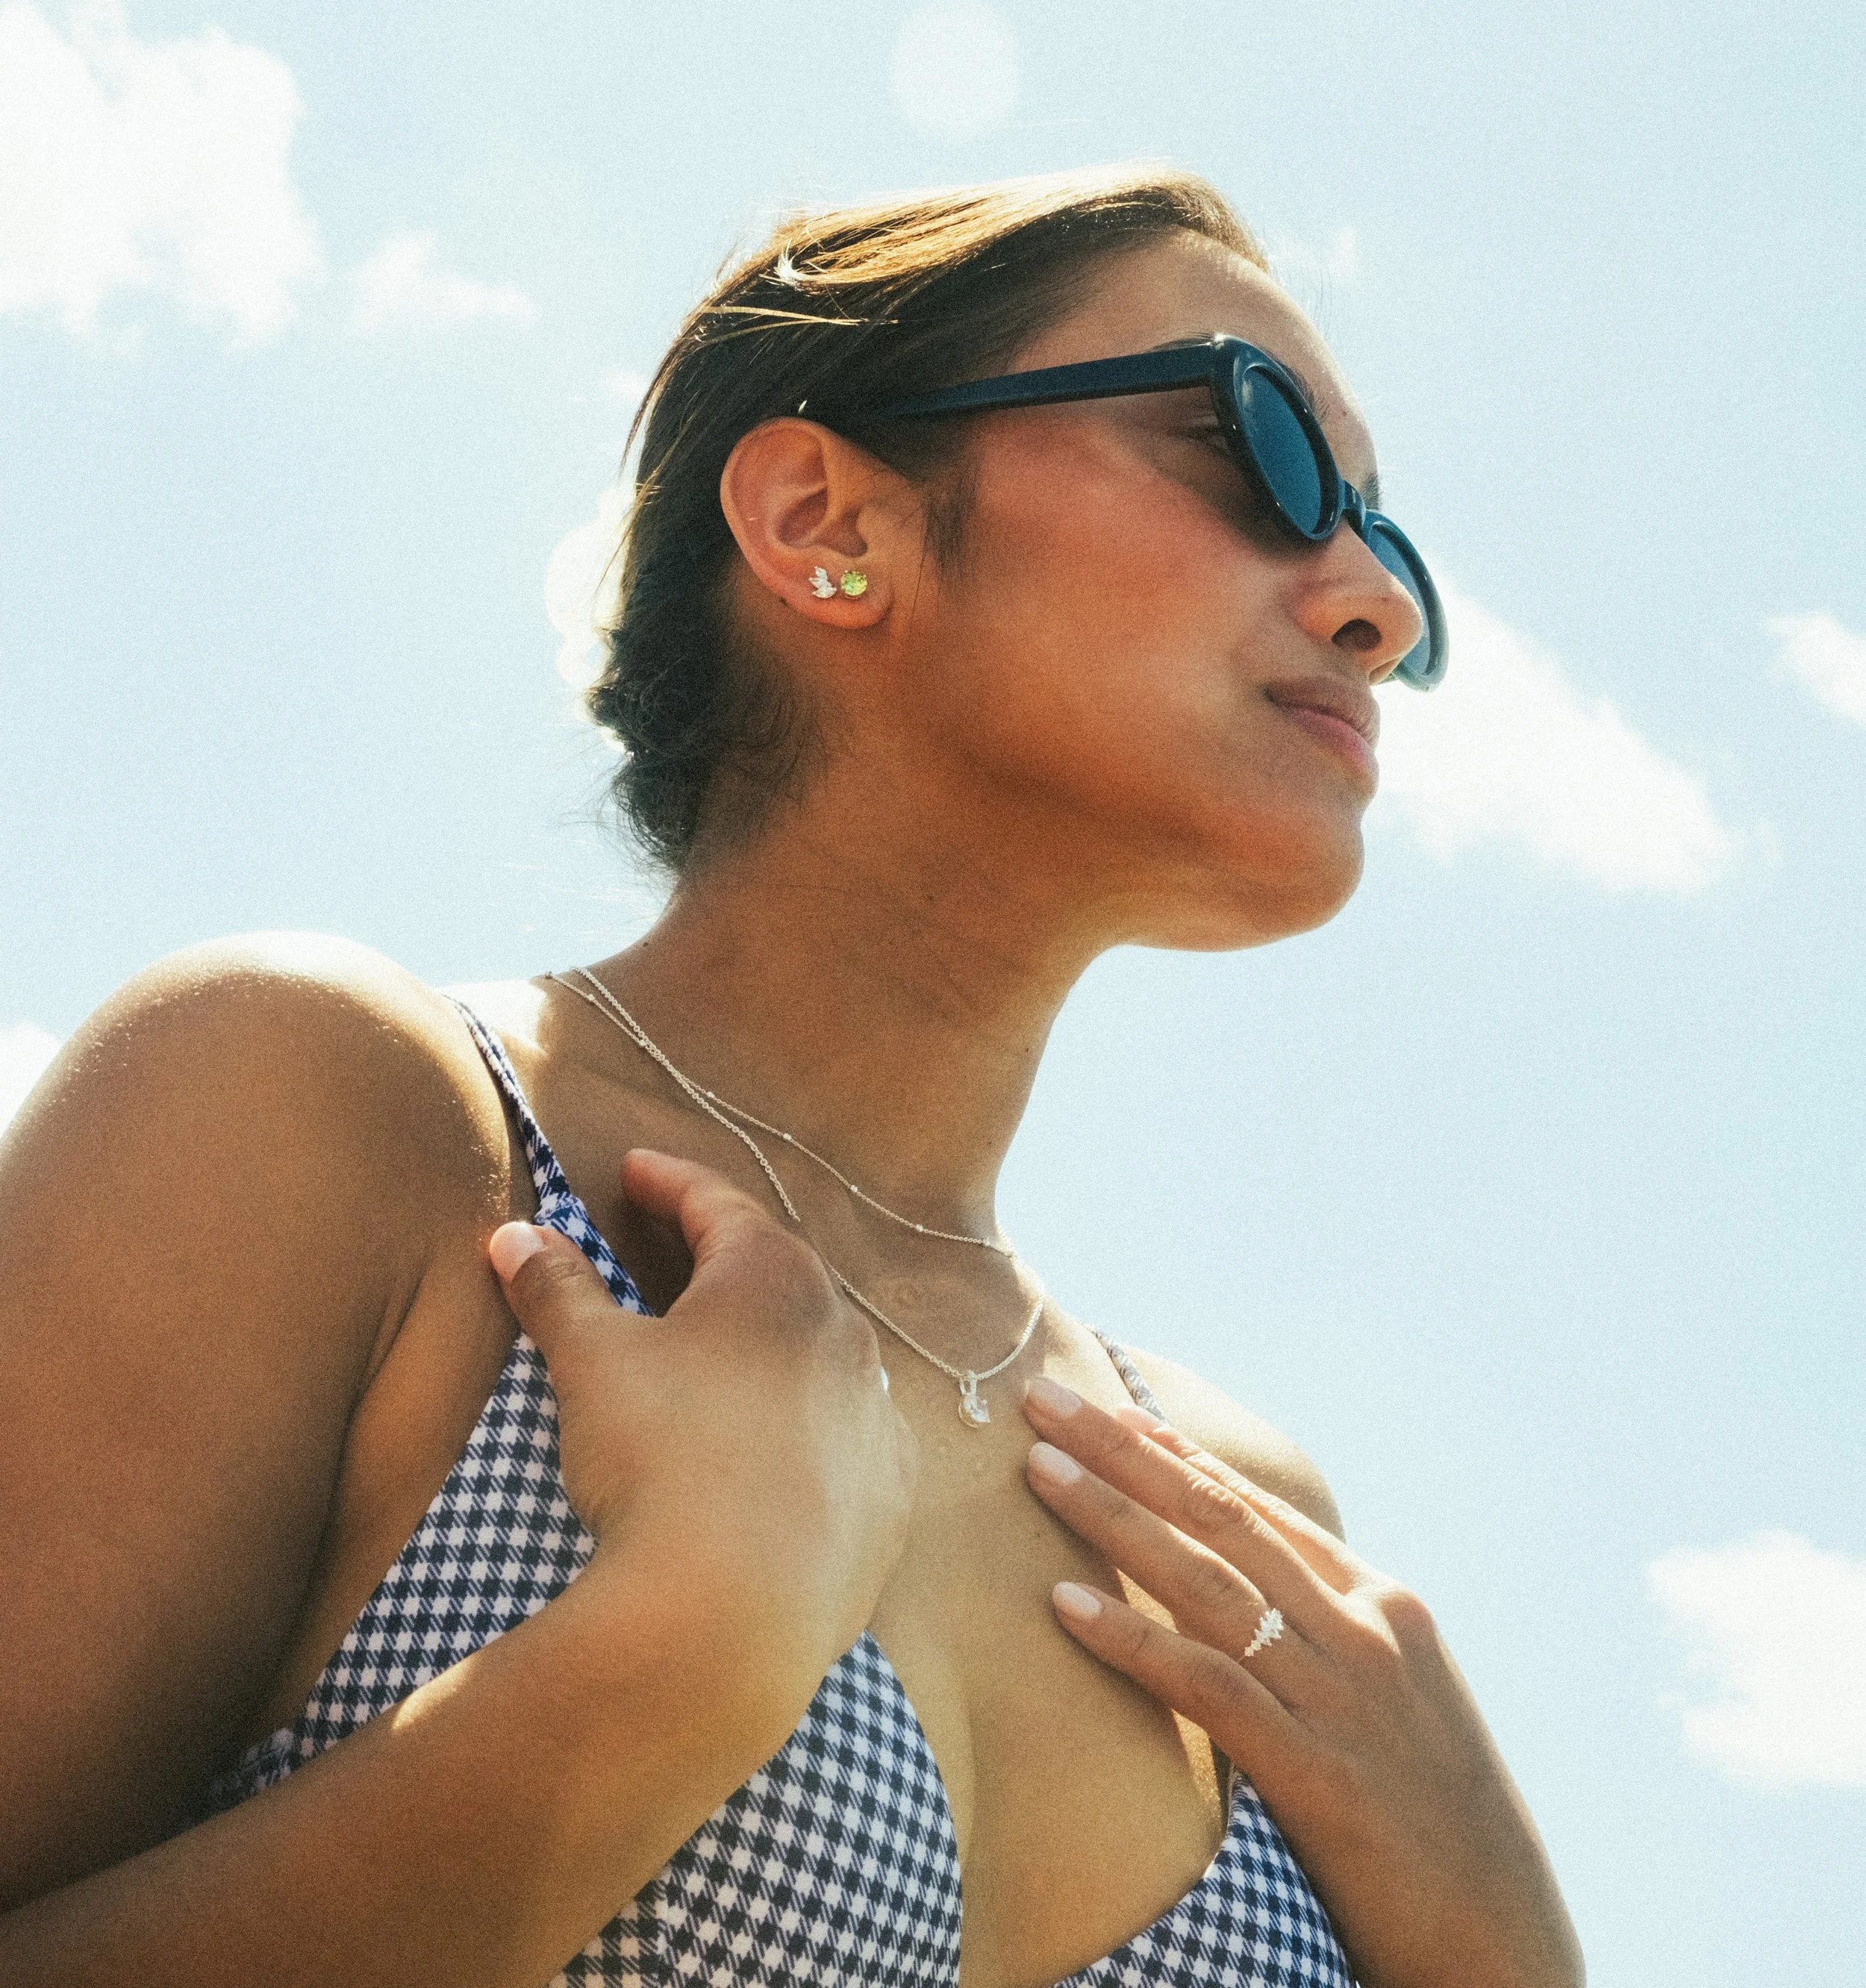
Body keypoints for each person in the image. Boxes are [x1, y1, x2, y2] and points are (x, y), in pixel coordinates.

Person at [0, 167, 1582, 1987]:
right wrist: (670, 1663)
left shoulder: (1240, 1510)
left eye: (1387, 537)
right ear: (825, 523)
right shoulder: (328, 1118)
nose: (1374, 602)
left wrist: (1500, 1950)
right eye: (1257, 450)